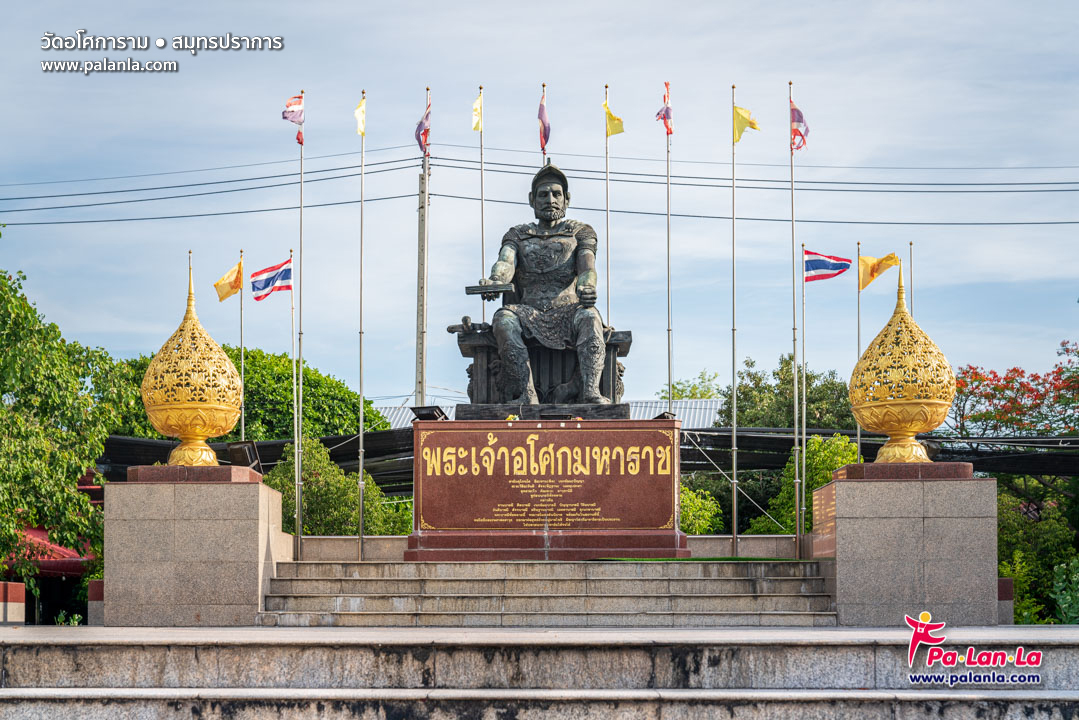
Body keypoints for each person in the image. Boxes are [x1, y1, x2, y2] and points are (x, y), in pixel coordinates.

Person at [479, 164, 609, 404]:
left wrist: (587, 287)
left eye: (556, 194)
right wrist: (496, 281)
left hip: (569, 310)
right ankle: (527, 395)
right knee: (503, 319)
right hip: (528, 311)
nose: (550, 199)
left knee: (590, 317)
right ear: (532, 199)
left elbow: (587, 269)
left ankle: (590, 391)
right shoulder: (517, 235)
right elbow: (505, 263)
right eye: (543, 194)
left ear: (567, 199)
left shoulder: (580, 232)